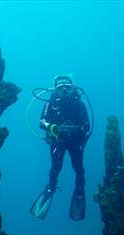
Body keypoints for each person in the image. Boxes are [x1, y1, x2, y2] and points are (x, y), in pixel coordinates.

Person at [30, 75, 91, 221]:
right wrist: (53, 127)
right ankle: (50, 188)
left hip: (75, 142)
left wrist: (77, 130)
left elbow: (87, 125)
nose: (64, 90)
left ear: (72, 89)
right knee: (56, 167)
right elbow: (41, 121)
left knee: (78, 168)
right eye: (60, 88)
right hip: (58, 141)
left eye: (67, 87)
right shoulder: (50, 104)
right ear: (56, 90)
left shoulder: (79, 104)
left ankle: (79, 189)